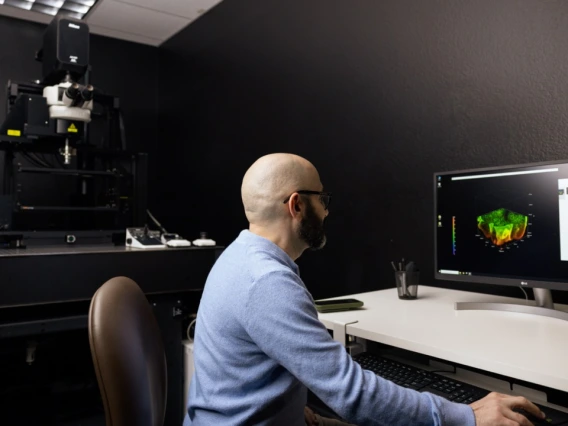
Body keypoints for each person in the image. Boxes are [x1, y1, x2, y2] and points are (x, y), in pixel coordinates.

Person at [184, 153, 545, 426]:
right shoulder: (267, 283)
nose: (326, 212)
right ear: (297, 205)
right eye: (321, 200)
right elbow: (352, 393)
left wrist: (293, 410)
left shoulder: (239, 256)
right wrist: (466, 415)